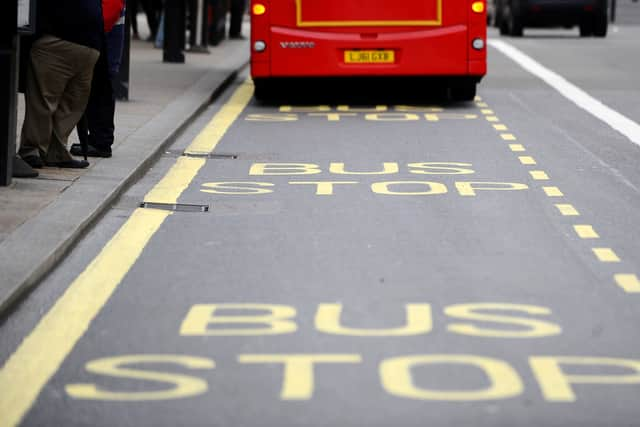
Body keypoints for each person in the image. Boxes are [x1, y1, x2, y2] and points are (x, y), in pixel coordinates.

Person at [18, 0, 103, 169]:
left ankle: (55, 151)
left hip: (88, 45)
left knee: (72, 105)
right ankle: (32, 150)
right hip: (56, 39)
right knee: (43, 102)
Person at [71, 0, 126, 159]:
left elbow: (110, 11)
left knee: (100, 93)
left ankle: (100, 142)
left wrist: (90, 33)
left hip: (104, 43)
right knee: (99, 92)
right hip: (105, 42)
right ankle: (97, 139)